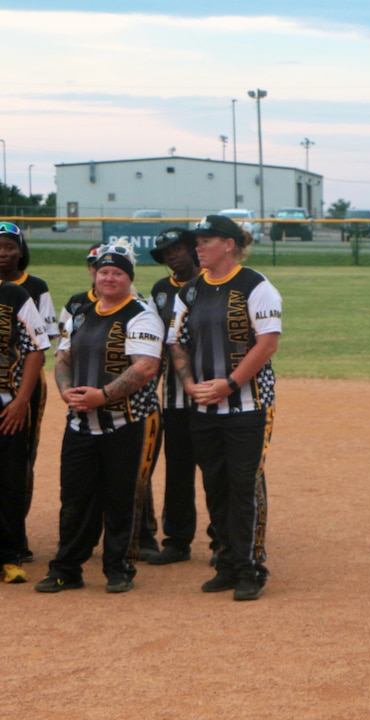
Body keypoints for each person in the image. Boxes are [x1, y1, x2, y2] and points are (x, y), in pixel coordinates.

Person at [33, 245, 164, 594]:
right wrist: (66, 390)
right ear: (95, 274)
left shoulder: (141, 315)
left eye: (117, 273)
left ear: (128, 279)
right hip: (79, 425)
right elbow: (63, 357)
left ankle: (118, 568)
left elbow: (146, 367)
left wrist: (103, 396)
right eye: (104, 271)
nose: (109, 277)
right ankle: (66, 568)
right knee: (74, 497)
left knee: (119, 496)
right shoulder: (80, 312)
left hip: (123, 424)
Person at [170, 213, 282, 601]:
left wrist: (230, 384)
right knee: (215, 485)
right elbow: (178, 342)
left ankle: (251, 567)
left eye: (206, 240)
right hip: (203, 408)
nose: (197, 247)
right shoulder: (191, 291)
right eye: (197, 241)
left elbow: (267, 343)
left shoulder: (256, 286)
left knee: (244, 486)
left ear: (229, 244)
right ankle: (227, 561)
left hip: (249, 408)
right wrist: (189, 385)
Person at [145, 227, 206, 565]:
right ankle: (177, 540)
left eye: (178, 248)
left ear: (193, 249)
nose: (172, 256)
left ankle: (223, 541)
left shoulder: (213, 283)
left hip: (216, 392)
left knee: (216, 469)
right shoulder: (161, 290)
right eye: (166, 252)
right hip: (175, 396)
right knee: (179, 468)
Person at [0, 221, 56, 556]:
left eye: (9, 247)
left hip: (21, 387)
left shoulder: (30, 287)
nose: (3, 254)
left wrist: (21, 393)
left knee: (19, 460)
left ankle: (13, 539)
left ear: (21, 250)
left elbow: (42, 340)